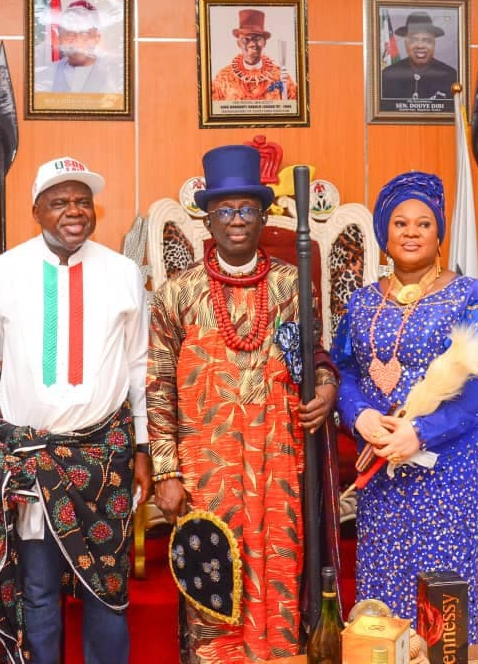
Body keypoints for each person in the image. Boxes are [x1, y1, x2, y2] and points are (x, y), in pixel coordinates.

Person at [146, 144, 338, 662]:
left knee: (278, 573)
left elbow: (313, 355)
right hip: (207, 466)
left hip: (277, 459)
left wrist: (325, 388)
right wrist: (165, 470)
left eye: (247, 210)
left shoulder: (291, 283)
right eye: (225, 211)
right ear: (207, 219)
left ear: (262, 215)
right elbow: (159, 382)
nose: (236, 221)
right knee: (213, 577)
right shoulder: (177, 294)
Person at [0, 156, 151, 664]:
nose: (74, 211)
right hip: (30, 458)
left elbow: (139, 365)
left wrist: (143, 447)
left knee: (105, 587)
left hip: (104, 458)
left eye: (82, 201)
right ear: (36, 211)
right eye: (60, 201)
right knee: (39, 585)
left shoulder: (122, 271)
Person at [333, 171, 478, 643]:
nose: (411, 232)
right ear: (385, 235)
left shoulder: (469, 295)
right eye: (400, 223)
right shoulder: (362, 303)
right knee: (384, 587)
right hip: (382, 472)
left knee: (442, 592)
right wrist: (358, 414)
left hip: (447, 469)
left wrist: (421, 433)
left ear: (439, 233)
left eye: (424, 223)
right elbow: (343, 371)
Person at [34, 0, 122, 95]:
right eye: (68, 32)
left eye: (83, 32)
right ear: (59, 38)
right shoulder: (43, 76)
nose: (75, 38)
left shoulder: (117, 75)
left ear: (97, 38)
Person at [210, 9, 297, 102]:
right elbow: (214, 110)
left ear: (264, 43)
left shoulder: (281, 76)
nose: (252, 44)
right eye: (246, 39)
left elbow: (295, 108)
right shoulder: (223, 78)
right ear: (238, 43)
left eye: (257, 38)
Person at [380, 11, 457, 110]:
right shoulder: (388, 75)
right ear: (406, 43)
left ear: (434, 44)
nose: (420, 46)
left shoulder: (450, 76)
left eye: (427, 40)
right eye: (414, 40)